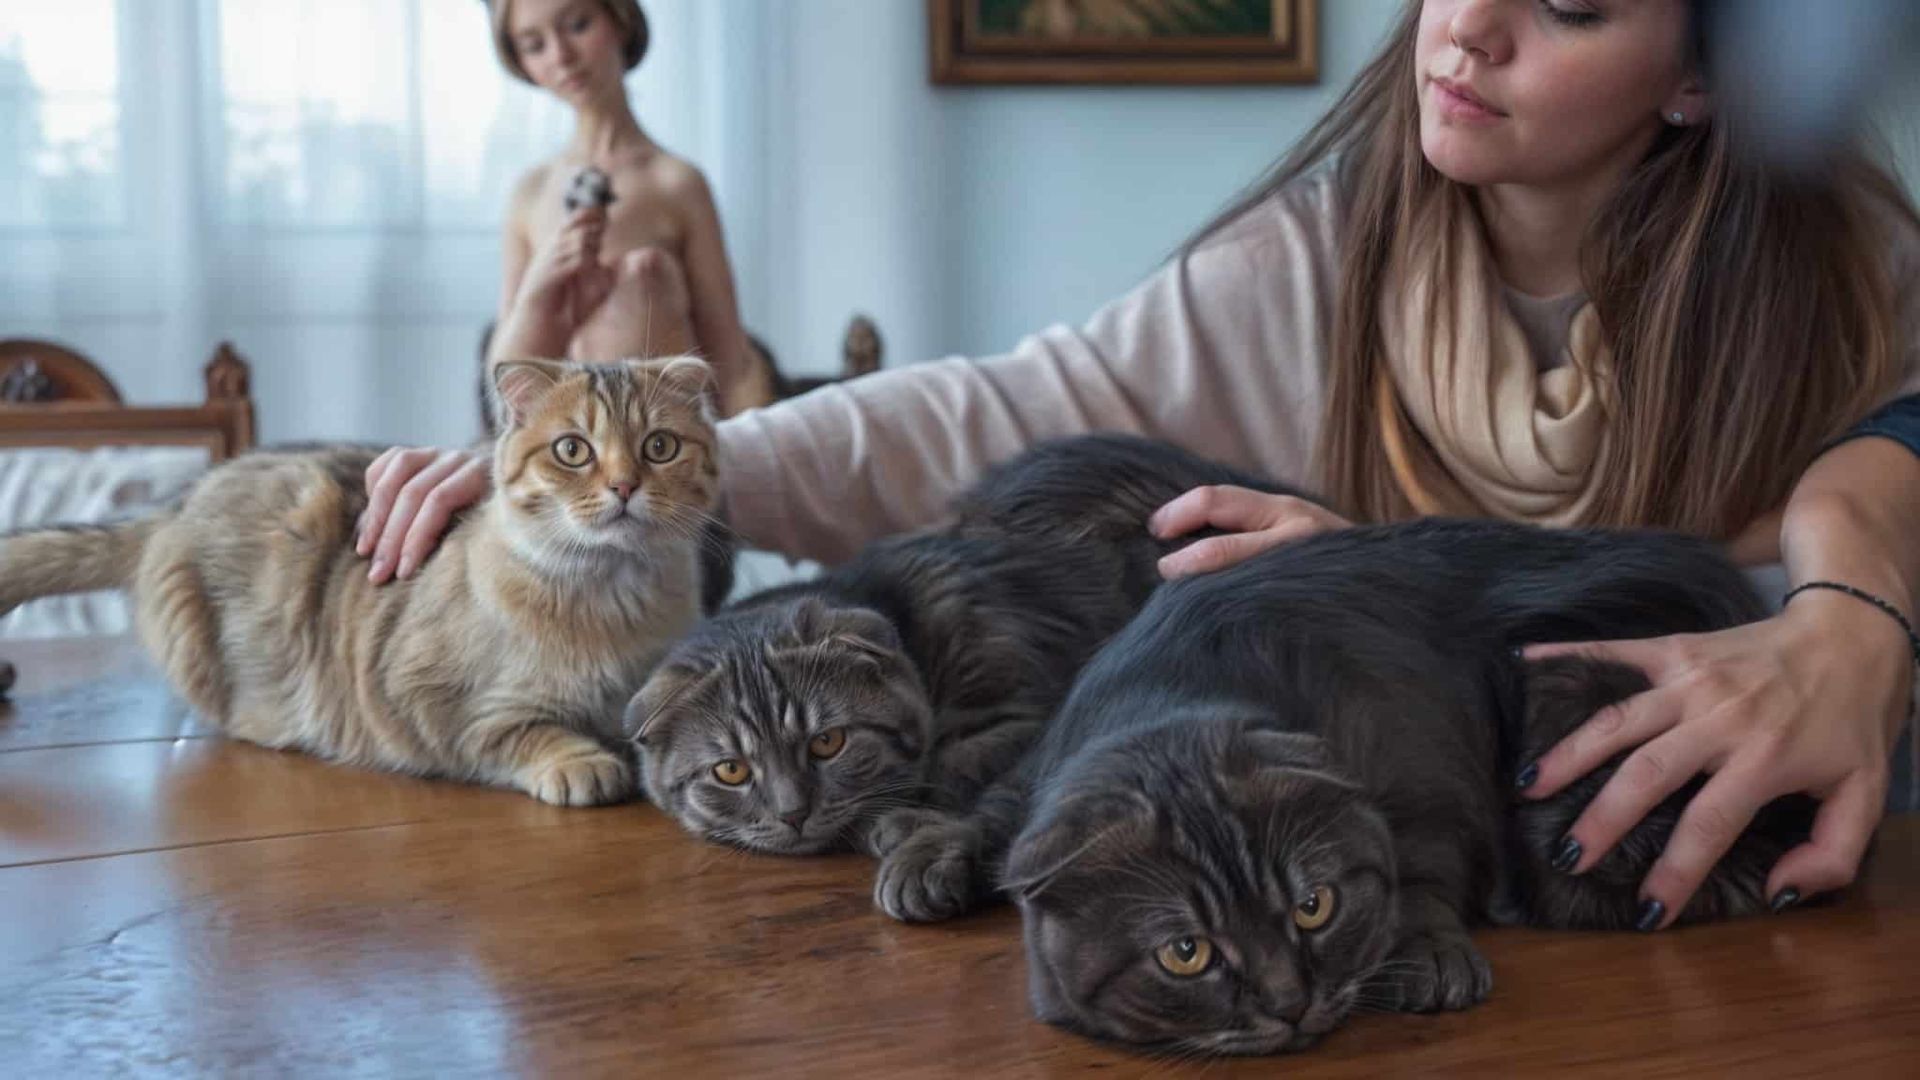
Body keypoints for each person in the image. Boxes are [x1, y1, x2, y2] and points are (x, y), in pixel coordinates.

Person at [363, 0, 1920, 930]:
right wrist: (600, 472)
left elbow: (1877, 485)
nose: (1466, 29)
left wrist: (1857, 624)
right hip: (1384, 924)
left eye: (1571, 4)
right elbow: (1001, 410)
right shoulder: (1321, 260)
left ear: (1703, 75)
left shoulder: (1852, 277)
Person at [483, 0, 770, 415]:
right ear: (519, 62)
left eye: (578, 25)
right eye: (534, 44)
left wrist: (756, 460)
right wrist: (538, 290)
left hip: (663, 446)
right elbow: (504, 385)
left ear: (620, 21)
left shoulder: (676, 183)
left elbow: (730, 361)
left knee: (645, 272)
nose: (561, 56)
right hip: (569, 451)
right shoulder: (531, 194)